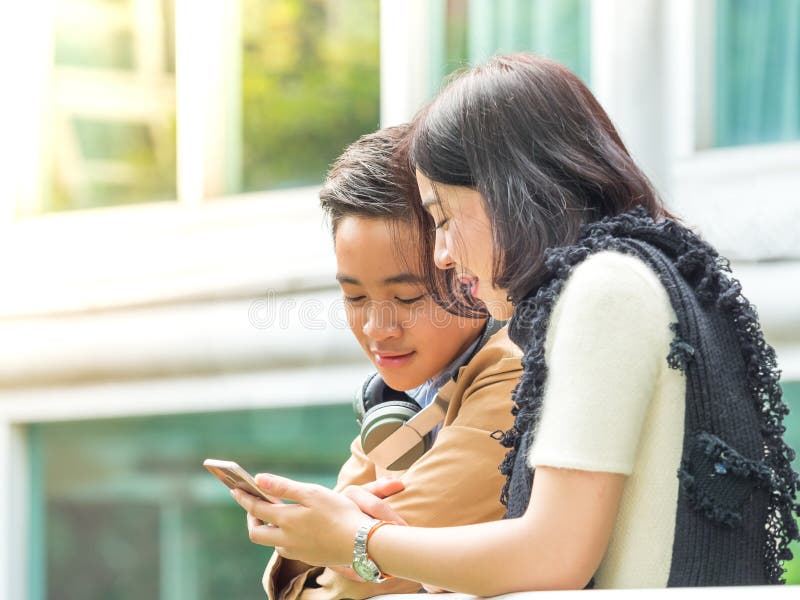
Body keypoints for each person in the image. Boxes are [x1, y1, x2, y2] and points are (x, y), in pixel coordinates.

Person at [233, 54, 800, 592]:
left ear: (508, 193)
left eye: (443, 217)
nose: (444, 256)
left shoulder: (604, 287)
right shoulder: (642, 273)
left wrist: (359, 540)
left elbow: (552, 554)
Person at [260, 124, 523, 600]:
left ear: (461, 263)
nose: (378, 329)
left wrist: (336, 543)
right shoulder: (394, 395)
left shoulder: (513, 371)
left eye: (405, 297)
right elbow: (317, 571)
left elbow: (353, 577)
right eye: (355, 296)